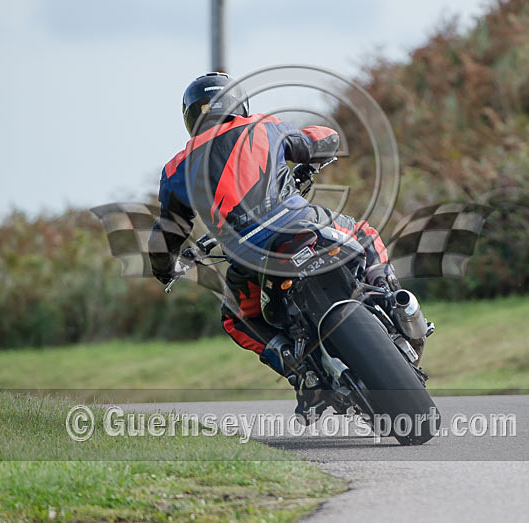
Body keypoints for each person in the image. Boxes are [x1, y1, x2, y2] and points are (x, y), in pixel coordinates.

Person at [149, 72, 403, 412]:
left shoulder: (176, 168)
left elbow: (166, 234)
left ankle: (297, 370)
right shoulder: (262, 126)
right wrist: (319, 151)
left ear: (191, 117)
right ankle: (391, 296)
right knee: (364, 233)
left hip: (247, 257)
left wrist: (166, 269)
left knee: (236, 319)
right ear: (239, 103)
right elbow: (319, 140)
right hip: (303, 225)